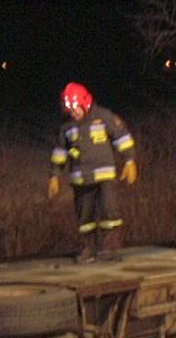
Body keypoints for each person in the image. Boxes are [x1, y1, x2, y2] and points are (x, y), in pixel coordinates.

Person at [49, 82, 137, 263]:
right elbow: (60, 152)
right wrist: (54, 175)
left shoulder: (103, 117)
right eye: (69, 111)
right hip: (81, 180)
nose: (73, 113)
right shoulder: (67, 127)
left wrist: (130, 160)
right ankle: (87, 250)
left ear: (84, 102)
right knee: (84, 218)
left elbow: (122, 137)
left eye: (75, 109)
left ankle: (109, 249)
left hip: (105, 177)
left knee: (109, 213)